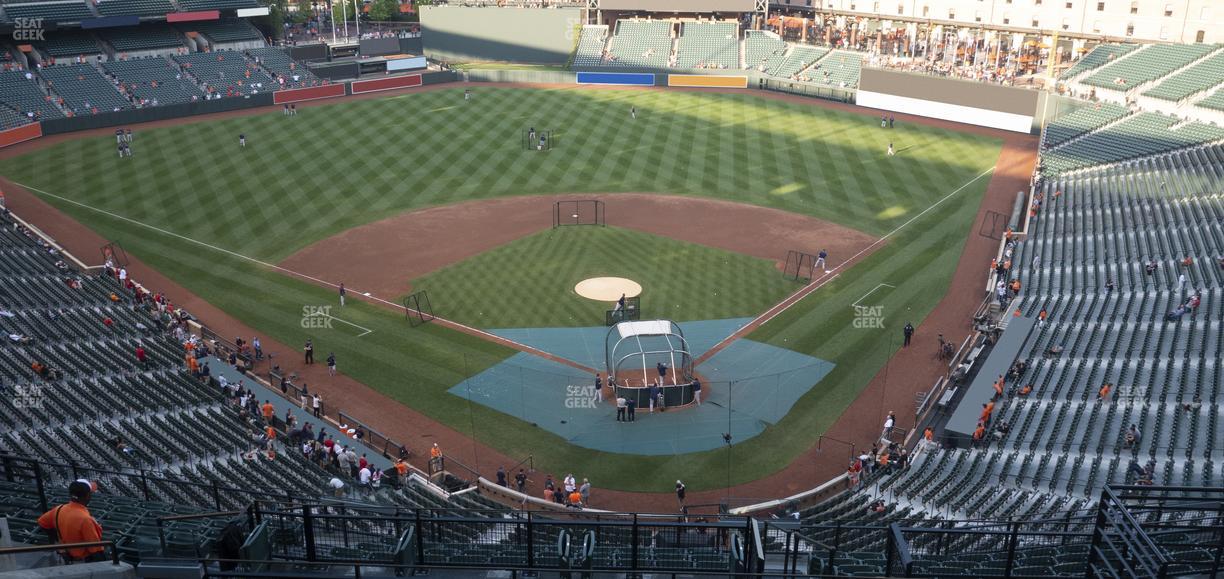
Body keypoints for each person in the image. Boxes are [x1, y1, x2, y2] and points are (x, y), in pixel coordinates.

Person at [38, 480, 106, 563]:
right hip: (82, 563)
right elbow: (96, 551)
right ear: (88, 495)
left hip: (64, 558)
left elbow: (42, 523)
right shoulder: (85, 519)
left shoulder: (59, 509)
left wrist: (59, 539)